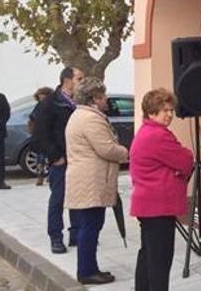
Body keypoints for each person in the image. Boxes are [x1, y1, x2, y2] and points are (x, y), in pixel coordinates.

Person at [64, 77, 129, 285]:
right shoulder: (91, 119)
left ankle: (89, 268)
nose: (106, 99)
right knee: (91, 226)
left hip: (87, 177)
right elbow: (107, 149)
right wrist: (125, 151)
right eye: (102, 96)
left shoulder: (80, 115)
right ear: (94, 98)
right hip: (92, 179)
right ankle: (87, 271)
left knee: (89, 225)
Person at [130, 88, 194, 291]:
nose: (169, 114)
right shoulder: (158, 135)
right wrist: (176, 171)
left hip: (147, 205)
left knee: (148, 255)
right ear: (151, 112)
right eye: (164, 110)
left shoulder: (146, 131)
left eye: (171, 110)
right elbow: (186, 160)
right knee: (160, 260)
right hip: (157, 206)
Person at [33, 66, 84, 254]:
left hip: (79, 159)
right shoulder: (50, 104)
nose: (82, 82)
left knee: (78, 198)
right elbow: (40, 135)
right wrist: (55, 157)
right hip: (61, 161)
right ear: (67, 80)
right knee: (58, 199)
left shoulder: (79, 103)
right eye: (79, 79)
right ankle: (56, 237)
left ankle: (76, 234)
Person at [28, 87, 55, 185]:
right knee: (41, 157)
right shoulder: (38, 106)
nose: (42, 99)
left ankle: (50, 175)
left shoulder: (51, 105)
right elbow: (32, 117)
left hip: (49, 134)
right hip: (40, 134)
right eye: (40, 97)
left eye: (43, 96)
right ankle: (41, 175)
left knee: (51, 156)